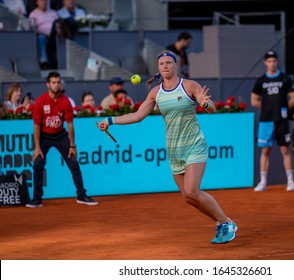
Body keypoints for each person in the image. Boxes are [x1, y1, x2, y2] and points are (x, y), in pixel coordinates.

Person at [98, 50, 237, 244]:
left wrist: (206, 104)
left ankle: (226, 222)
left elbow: (212, 109)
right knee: (188, 198)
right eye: (161, 63)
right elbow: (137, 116)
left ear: (176, 65)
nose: (165, 66)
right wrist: (110, 120)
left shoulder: (189, 85)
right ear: (158, 68)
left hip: (194, 144)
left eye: (168, 62)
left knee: (191, 191)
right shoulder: (156, 92)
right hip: (174, 149)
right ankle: (221, 222)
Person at [26, 71, 98, 208]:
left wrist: (72, 145)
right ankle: (37, 199)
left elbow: (70, 125)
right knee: (38, 163)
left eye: (58, 82)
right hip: (44, 136)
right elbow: (36, 126)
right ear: (48, 84)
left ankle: (81, 196)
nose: (56, 85)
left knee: (73, 163)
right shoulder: (41, 101)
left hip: (60, 135)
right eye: (53, 82)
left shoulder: (65, 101)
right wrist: (37, 147)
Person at [251, 50, 294, 192]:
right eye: (269, 61)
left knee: (285, 150)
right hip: (265, 120)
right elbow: (254, 101)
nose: (272, 63)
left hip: (281, 121)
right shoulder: (261, 81)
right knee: (265, 151)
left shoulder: (285, 79)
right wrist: (267, 109)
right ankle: (263, 182)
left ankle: (290, 181)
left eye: (274, 61)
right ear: (265, 63)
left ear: (277, 62)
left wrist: (282, 109)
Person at [28, 0, 59, 69]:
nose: (44, 2)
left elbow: (58, 24)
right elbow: (32, 29)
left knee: (62, 39)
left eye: (45, 1)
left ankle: (60, 62)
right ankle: (43, 62)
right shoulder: (33, 14)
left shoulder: (53, 12)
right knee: (40, 38)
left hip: (55, 36)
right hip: (43, 35)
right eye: (41, 1)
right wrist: (43, 33)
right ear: (37, 2)